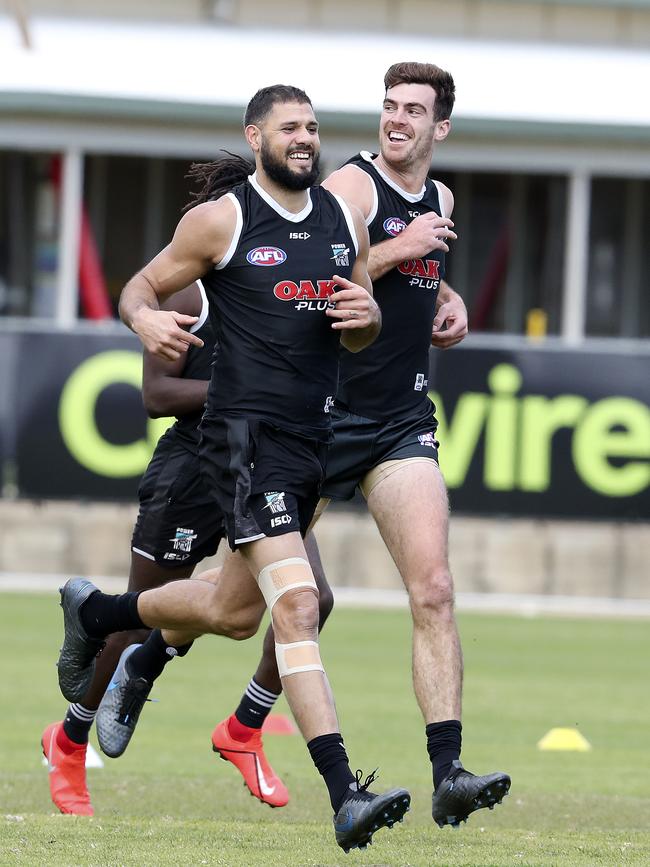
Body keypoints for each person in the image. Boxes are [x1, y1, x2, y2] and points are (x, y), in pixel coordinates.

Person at [54, 84, 412, 852]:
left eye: (314, 127)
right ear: (256, 137)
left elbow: (353, 331)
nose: (305, 139)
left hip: (314, 441)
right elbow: (139, 287)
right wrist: (144, 315)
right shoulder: (221, 219)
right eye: (290, 127)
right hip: (243, 443)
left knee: (229, 611)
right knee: (300, 603)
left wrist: (372, 320)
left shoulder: (343, 218)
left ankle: (98, 614)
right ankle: (345, 790)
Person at [211, 60, 510, 830]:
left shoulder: (439, 199)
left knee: (434, 588)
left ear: (441, 127)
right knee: (234, 610)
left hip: (397, 425)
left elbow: (418, 275)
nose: (397, 119)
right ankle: (134, 639)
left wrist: (447, 297)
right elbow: (326, 274)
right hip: (317, 419)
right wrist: (398, 247)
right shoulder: (352, 189)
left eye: (414, 109)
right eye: (389, 106)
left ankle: (448, 770)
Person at [42, 273, 330, 814]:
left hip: (264, 468)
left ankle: (243, 727)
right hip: (194, 470)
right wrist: (247, 393)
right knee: (130, 620)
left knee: (313, 599)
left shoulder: (292, 287)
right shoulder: (191, 295)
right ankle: (69, 741)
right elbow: (157, 395)